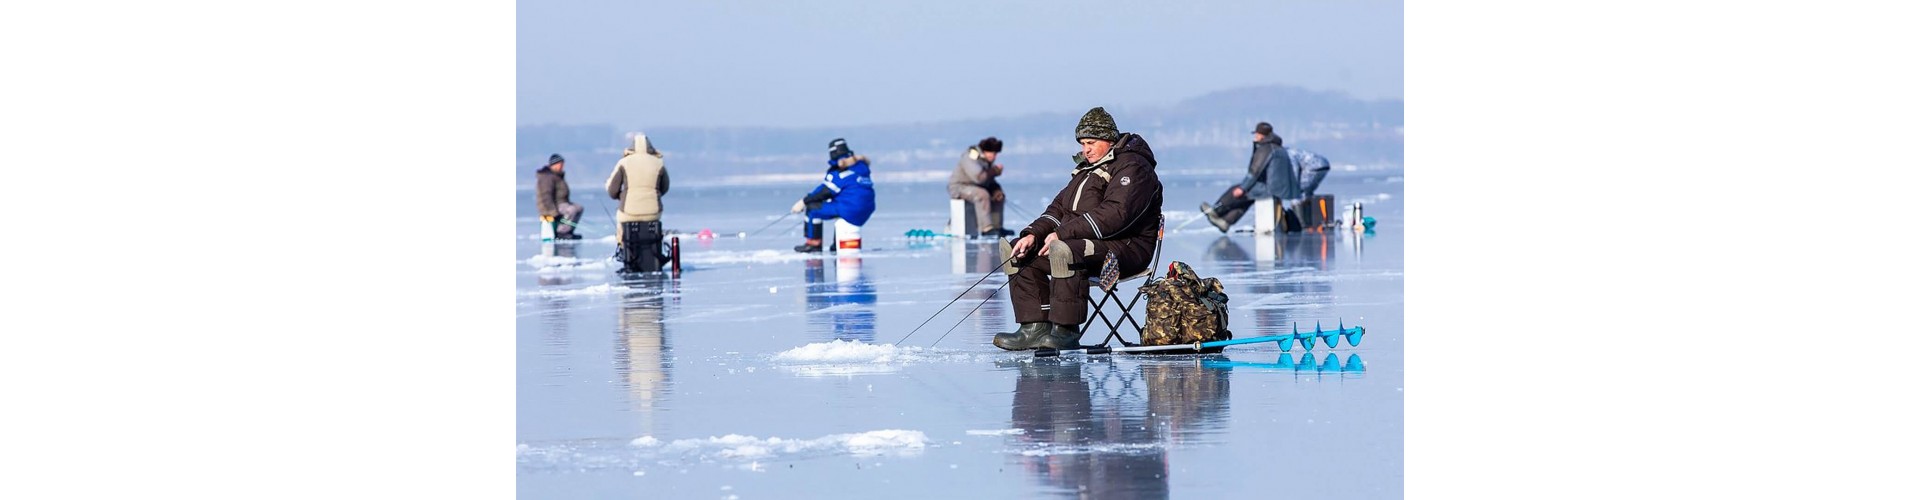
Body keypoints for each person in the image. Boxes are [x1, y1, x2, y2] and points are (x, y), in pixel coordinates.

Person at [993, 107, 1162, 351]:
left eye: (1091, 142)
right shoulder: (1086, 170)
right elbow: (1057, 210)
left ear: (1109, 139)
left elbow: (1117, 215)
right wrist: (1032, 234)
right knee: (1019, 253)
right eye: (1083, 143)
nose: (1086, 149)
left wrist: (1062, 234)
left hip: (1127, 248)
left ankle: (1065, 330)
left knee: (1065, 250)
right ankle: (1034, 328)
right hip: (1088, 243)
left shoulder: (1133, 167)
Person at [1199, 121, 1294, 233]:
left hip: (1270, 188)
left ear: (1262, 135)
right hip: (1277, 187)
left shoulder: (1265, 149)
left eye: (1257, 134)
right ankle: (1226, 221)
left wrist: (1243, 188)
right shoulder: (1276, 147)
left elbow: (1254, 171)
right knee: (1248, 198)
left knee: (1237, 190)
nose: (1255, 136)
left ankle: (1216, 210)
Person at [789, 138, 876, 253]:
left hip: (849, 208)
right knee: (841, 216)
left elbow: (825, 191)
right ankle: (837, 244)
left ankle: (813, 244)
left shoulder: (840, 171)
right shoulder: (861, 167)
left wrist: (804, 201)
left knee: (813, 209)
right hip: (866, 209)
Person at [605, 133, 671, 273]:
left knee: (621, 226)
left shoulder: (624, 163)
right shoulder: (658, 163)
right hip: (653, 213)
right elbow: (664, 187)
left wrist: (621, 196)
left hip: (629, 212)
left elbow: (612, 190)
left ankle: (625, 253)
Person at [949, 136, 1012, 237]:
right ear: (985, 151)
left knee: (998, 197)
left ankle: (997, 227)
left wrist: (996, 189)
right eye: (992, 153)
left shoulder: (985, 160)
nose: (994, 156)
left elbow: (988, 180)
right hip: (959, 186)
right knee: (982, 195)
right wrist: (994, 171)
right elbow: (979, 177)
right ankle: (986, 228)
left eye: (995, 154)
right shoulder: (970, 157)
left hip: (975, 186)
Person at [535, 153, 585, 239]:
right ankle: (562, 232)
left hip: (562, 203)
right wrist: (553, 212)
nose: (562, 166)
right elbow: (545, 196)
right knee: (571, 210)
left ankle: (569, 230)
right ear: (554, 165)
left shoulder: (557, 176)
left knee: (578, 208)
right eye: (560, 164)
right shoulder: (547, 177)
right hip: (551, 207)